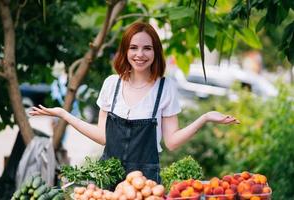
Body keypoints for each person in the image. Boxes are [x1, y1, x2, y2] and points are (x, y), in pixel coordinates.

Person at [29, 22, 239, 184]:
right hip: (108, 180)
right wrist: (64, 115)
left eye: (147, 48)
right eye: (133, 48)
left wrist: (205, 118)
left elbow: (172, 142)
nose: (140, 54)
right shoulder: (111, 85)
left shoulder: (165, 88)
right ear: (125, 51)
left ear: (156, 52)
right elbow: (103, 137)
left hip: (145, 184)